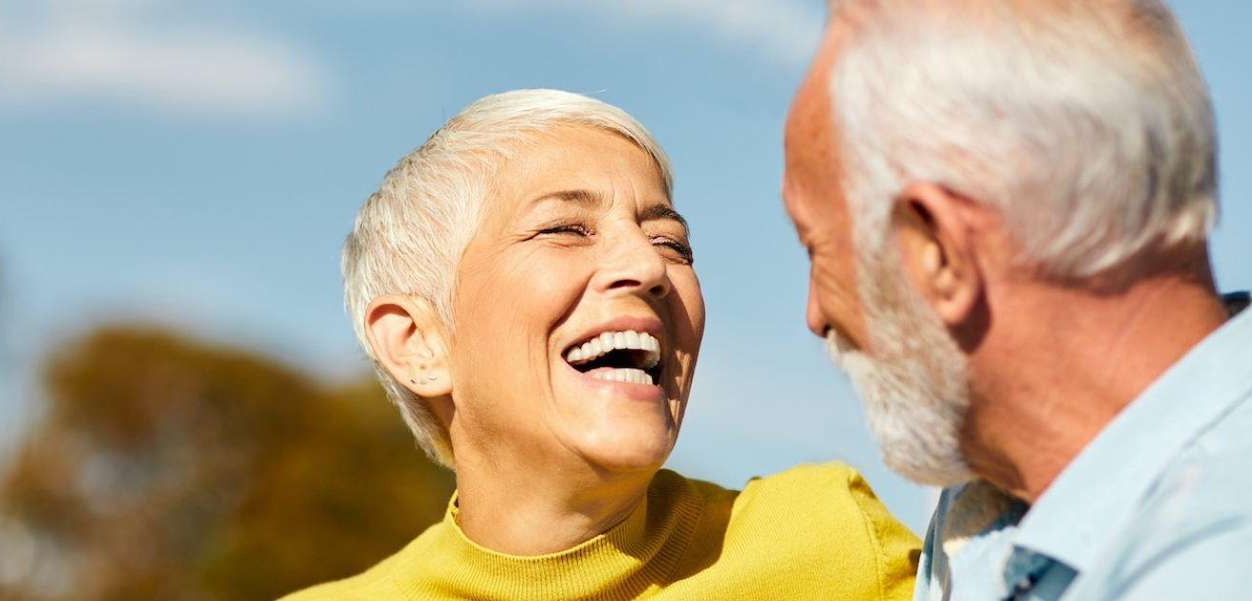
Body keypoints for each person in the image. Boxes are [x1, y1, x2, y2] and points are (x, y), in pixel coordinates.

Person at [286, 89, 918, 600]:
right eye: (565, 228)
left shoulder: (831, 541)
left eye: (672, 243)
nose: (648, 266)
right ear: (418, 342)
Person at [782, 1, 1252, 599]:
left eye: (814, 248)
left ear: (940, 251)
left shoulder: (1220, 561)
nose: (815, 316)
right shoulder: (987, 494)